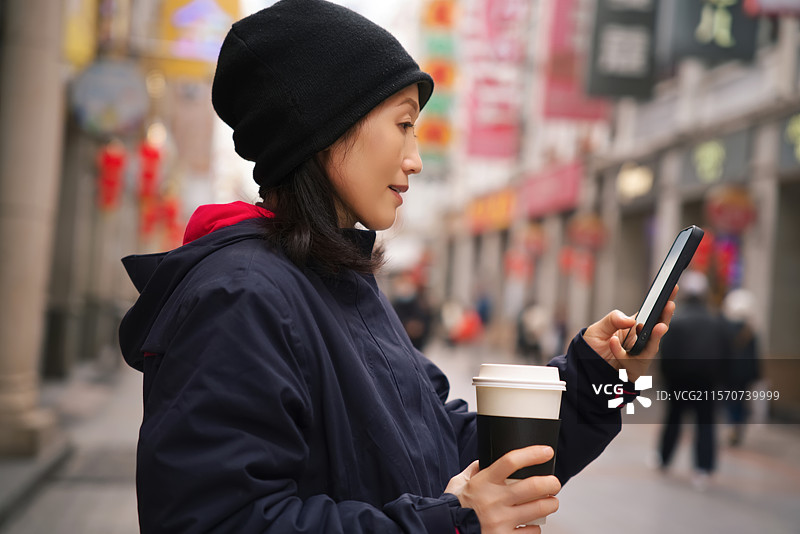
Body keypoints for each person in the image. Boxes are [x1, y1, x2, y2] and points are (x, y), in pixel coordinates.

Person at [118, 1, 676, 532]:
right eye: (404, 124)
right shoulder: (240, 297)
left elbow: (441, 445)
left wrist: (596, 377)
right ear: (325, 126)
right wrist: (453, 521)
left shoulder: (336, 281)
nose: (414, 158)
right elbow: (218, 520)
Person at [657, 271, 729, 490]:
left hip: (679, 381)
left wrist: (667, 379)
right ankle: (703, 468)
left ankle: (664, 458)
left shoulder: (677, 320)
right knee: (705, 423)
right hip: (707, 382)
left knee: (673, 419)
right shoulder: (716, 321)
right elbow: (726, 353)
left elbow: (666, 354)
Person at [721, 288, 761, 446]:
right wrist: (756, 375)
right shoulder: (750, 332)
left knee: (730, 400)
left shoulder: (726, 330)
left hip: (729, 373)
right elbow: (754, 357)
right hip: (744, 375)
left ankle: (732, 424)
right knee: (741, 401)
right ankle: (738, 426)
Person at [391, 270, 433, 351]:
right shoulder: (394, 304)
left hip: (417, 346)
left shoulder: (420, 303)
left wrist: (419, 328)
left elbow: (427, 322)